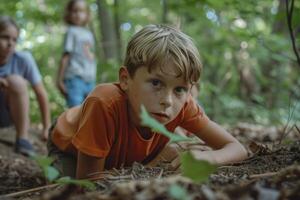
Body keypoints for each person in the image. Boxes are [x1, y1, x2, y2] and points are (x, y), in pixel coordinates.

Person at [48, 24, 247, 179]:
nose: (168, 101)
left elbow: (237, 148)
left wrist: (210, 158)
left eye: (179, 89)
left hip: (118, 153)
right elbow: (89, 183)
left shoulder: (184, 105)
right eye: (156, 83)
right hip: (68, 144)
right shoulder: (104, 102)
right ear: (126, 79)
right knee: (69, 188)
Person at [0, 16, 51, 156]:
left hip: (10, 115)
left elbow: (41, 93)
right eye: (5, 37)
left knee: (16, 81)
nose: (10, 43)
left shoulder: (23, 59)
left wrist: (46, 127)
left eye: (14, 39)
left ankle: (22, 139)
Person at [56, 0, 96, 108]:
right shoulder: (71, 32)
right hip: (75, 78)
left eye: (82, 11)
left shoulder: (89, 34)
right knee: (76, 110)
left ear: (86, 14)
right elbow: (66, 56)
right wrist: (59, 80)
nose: (78, 14)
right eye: (75, 11)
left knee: (91, 110)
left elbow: (91, 57)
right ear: (69, 13)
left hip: (89, 79)